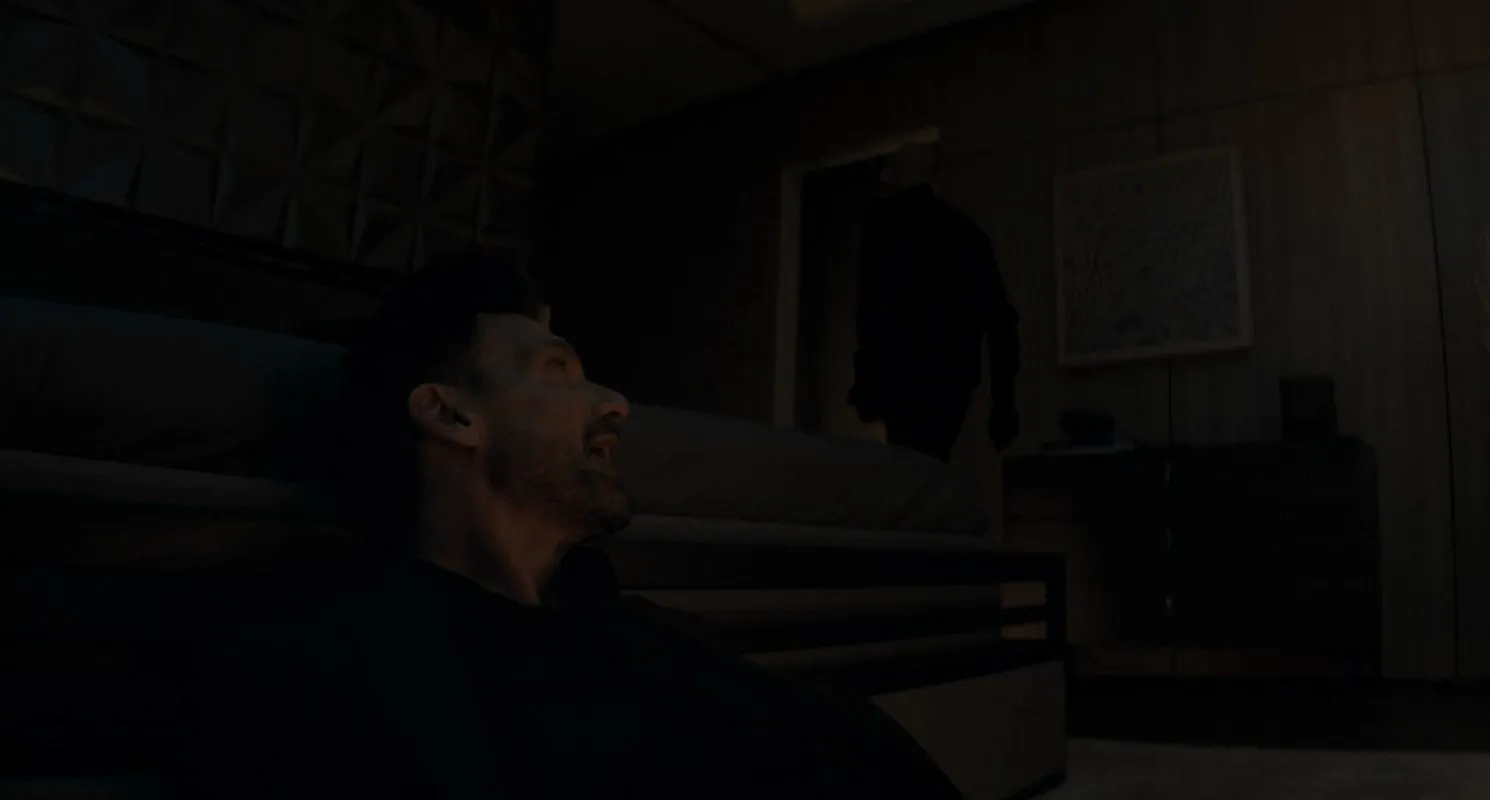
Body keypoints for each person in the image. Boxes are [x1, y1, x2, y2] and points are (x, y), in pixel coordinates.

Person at [182, 256, 962, 799]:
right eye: (559, 371)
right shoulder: (347, 658)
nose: (614, 403)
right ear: (450, 414)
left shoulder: (646, 636)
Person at [849, 141, 1021, 462]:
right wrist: (1004, 402)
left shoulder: (882, 226)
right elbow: (1000, 319)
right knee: (931, 461)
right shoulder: (966, 232)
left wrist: (867, 379)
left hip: (901, 375)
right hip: (950, 378)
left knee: (907, 462)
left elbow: (871, 310)